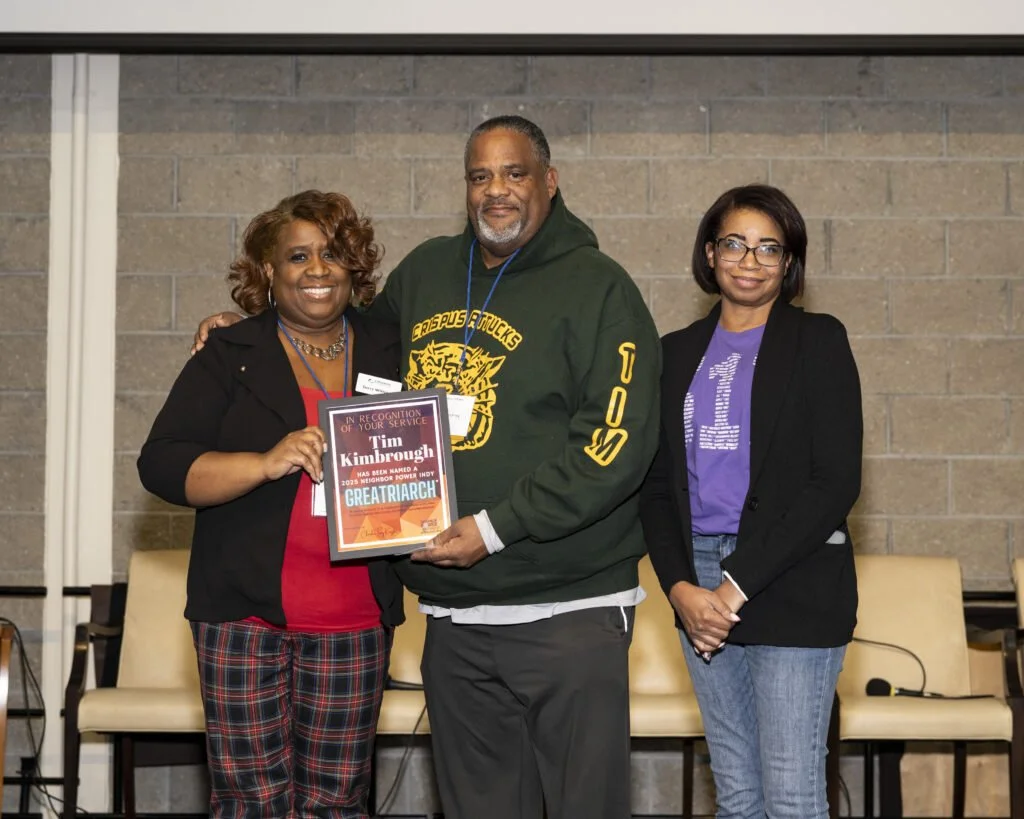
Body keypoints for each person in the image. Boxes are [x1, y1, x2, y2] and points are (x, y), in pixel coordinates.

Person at [193, 115, 661, 819]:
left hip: (568, 610)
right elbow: (337, 334)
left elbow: (614, 445)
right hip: (454, 616)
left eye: (514, 173)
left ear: (550, 181)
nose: (495, 191)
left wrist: (496, 528)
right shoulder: (428, 273)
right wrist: (249, 326)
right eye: (480, 176)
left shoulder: (600, 289)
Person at [138, 190, 404, 819]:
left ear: (354, 267)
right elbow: (163, 464)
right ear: (268, 271)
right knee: (250, 803)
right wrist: (263, 462)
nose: (318, 270)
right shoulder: (232, 354)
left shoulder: (395, 347)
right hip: (242, 621)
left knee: (336, 805)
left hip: (355, 620)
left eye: (334, 255)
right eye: (299, 256)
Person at [638, 183, 862, 819]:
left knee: (791, 798)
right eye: (735, 243)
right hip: (699, 584)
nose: (750, 259)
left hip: (788, 578)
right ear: (710, 253)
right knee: (737, 797)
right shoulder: (674, 352)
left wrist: (733, 589)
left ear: (789, 264)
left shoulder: (818, 340)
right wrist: (681, 588)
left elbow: (835, 481)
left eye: (770, 248)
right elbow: (656, 489)